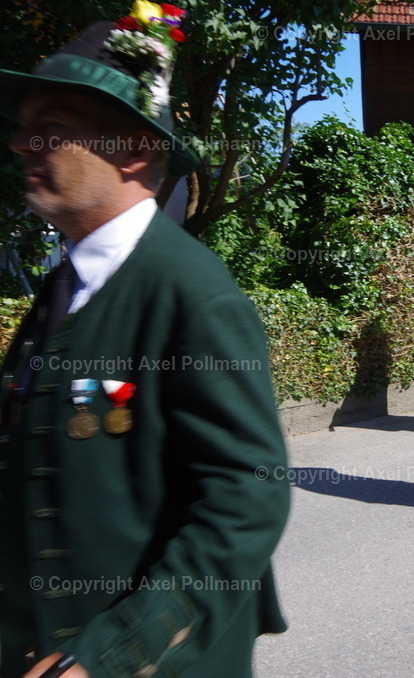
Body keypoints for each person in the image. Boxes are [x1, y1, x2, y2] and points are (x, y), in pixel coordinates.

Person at [0, 15, 290, 678]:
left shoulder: (190, 293)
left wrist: (113, 654)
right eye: (25, 124)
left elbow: (249, 500)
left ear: (131, 149)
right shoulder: (64, 286)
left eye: (51, 127)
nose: (21, 143)